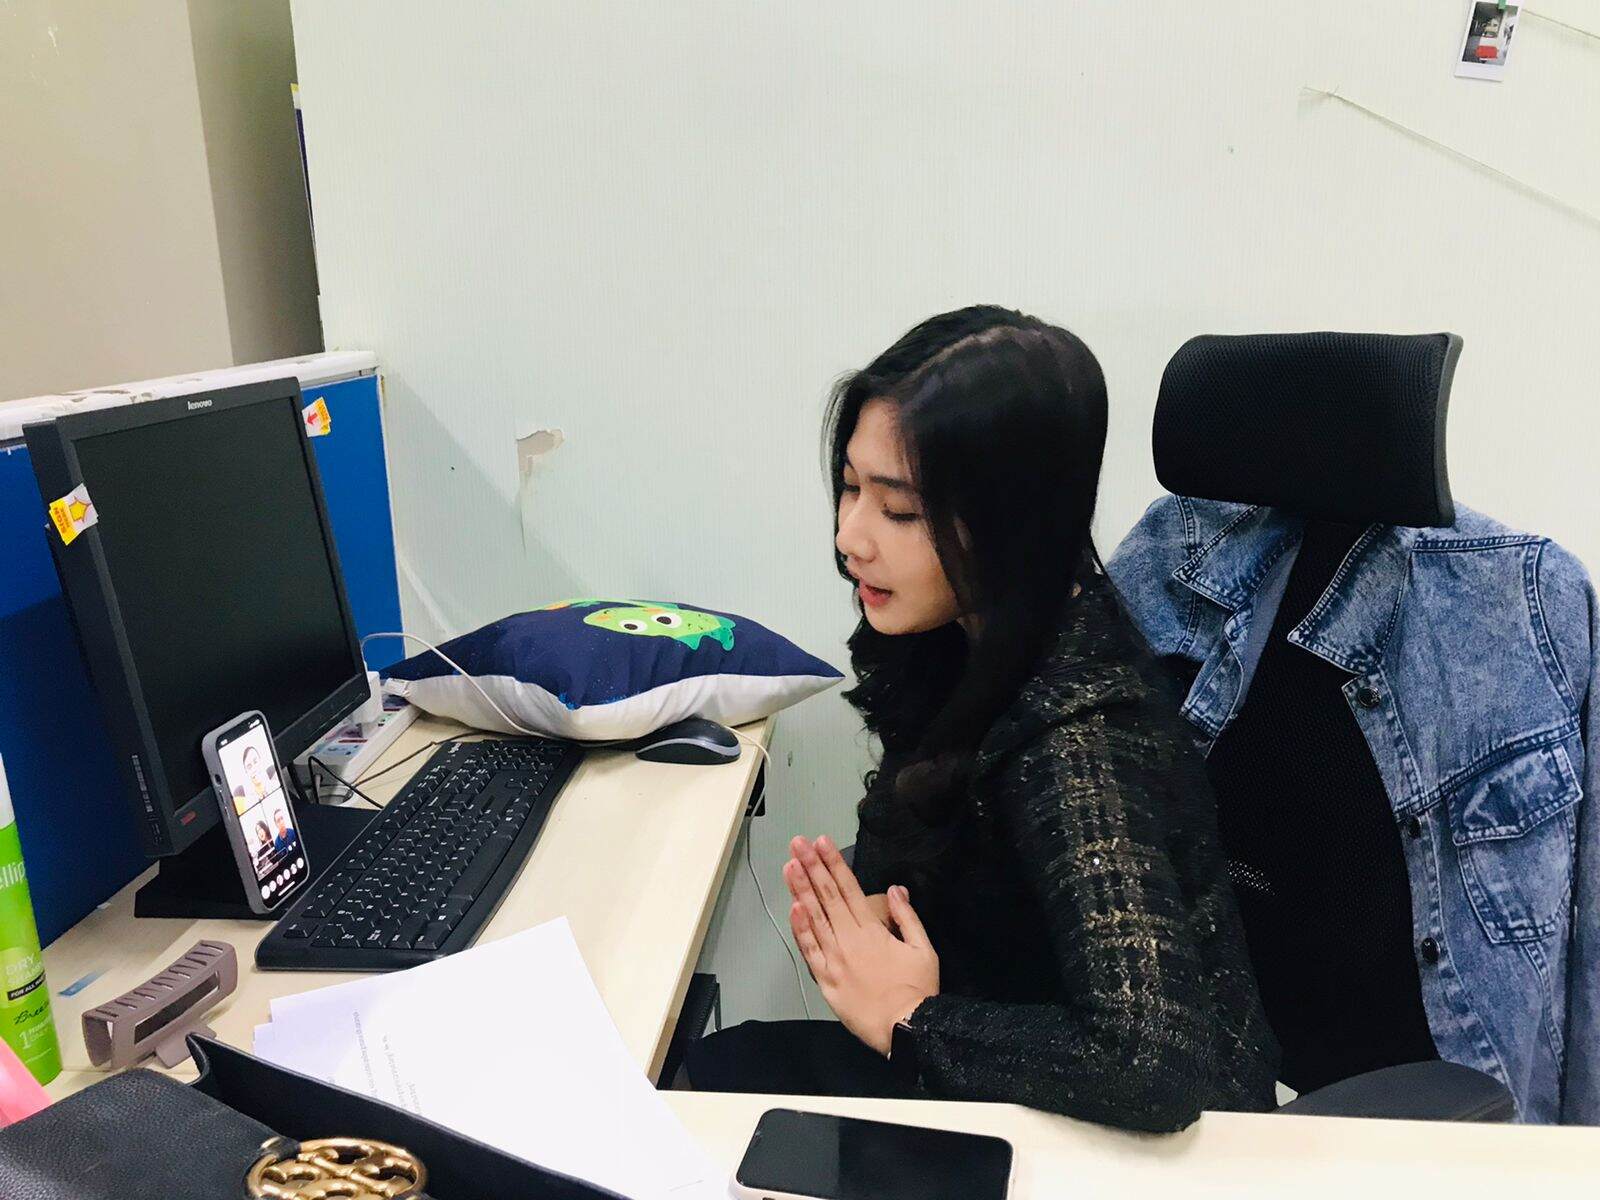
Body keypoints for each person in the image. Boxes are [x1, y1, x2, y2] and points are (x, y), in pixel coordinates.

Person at [686, 307, 1279, 1132]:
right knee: (710, 1078)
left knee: (703, 1101)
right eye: (851, 487)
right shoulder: (962, 633)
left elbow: (1153, 1066)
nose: (851, 537)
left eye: (899, 512)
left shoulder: (1079, 737)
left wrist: (913, 1018)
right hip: (1013, 1072)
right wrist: (877, 916)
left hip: (1137, 1152)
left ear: (1011, 523)